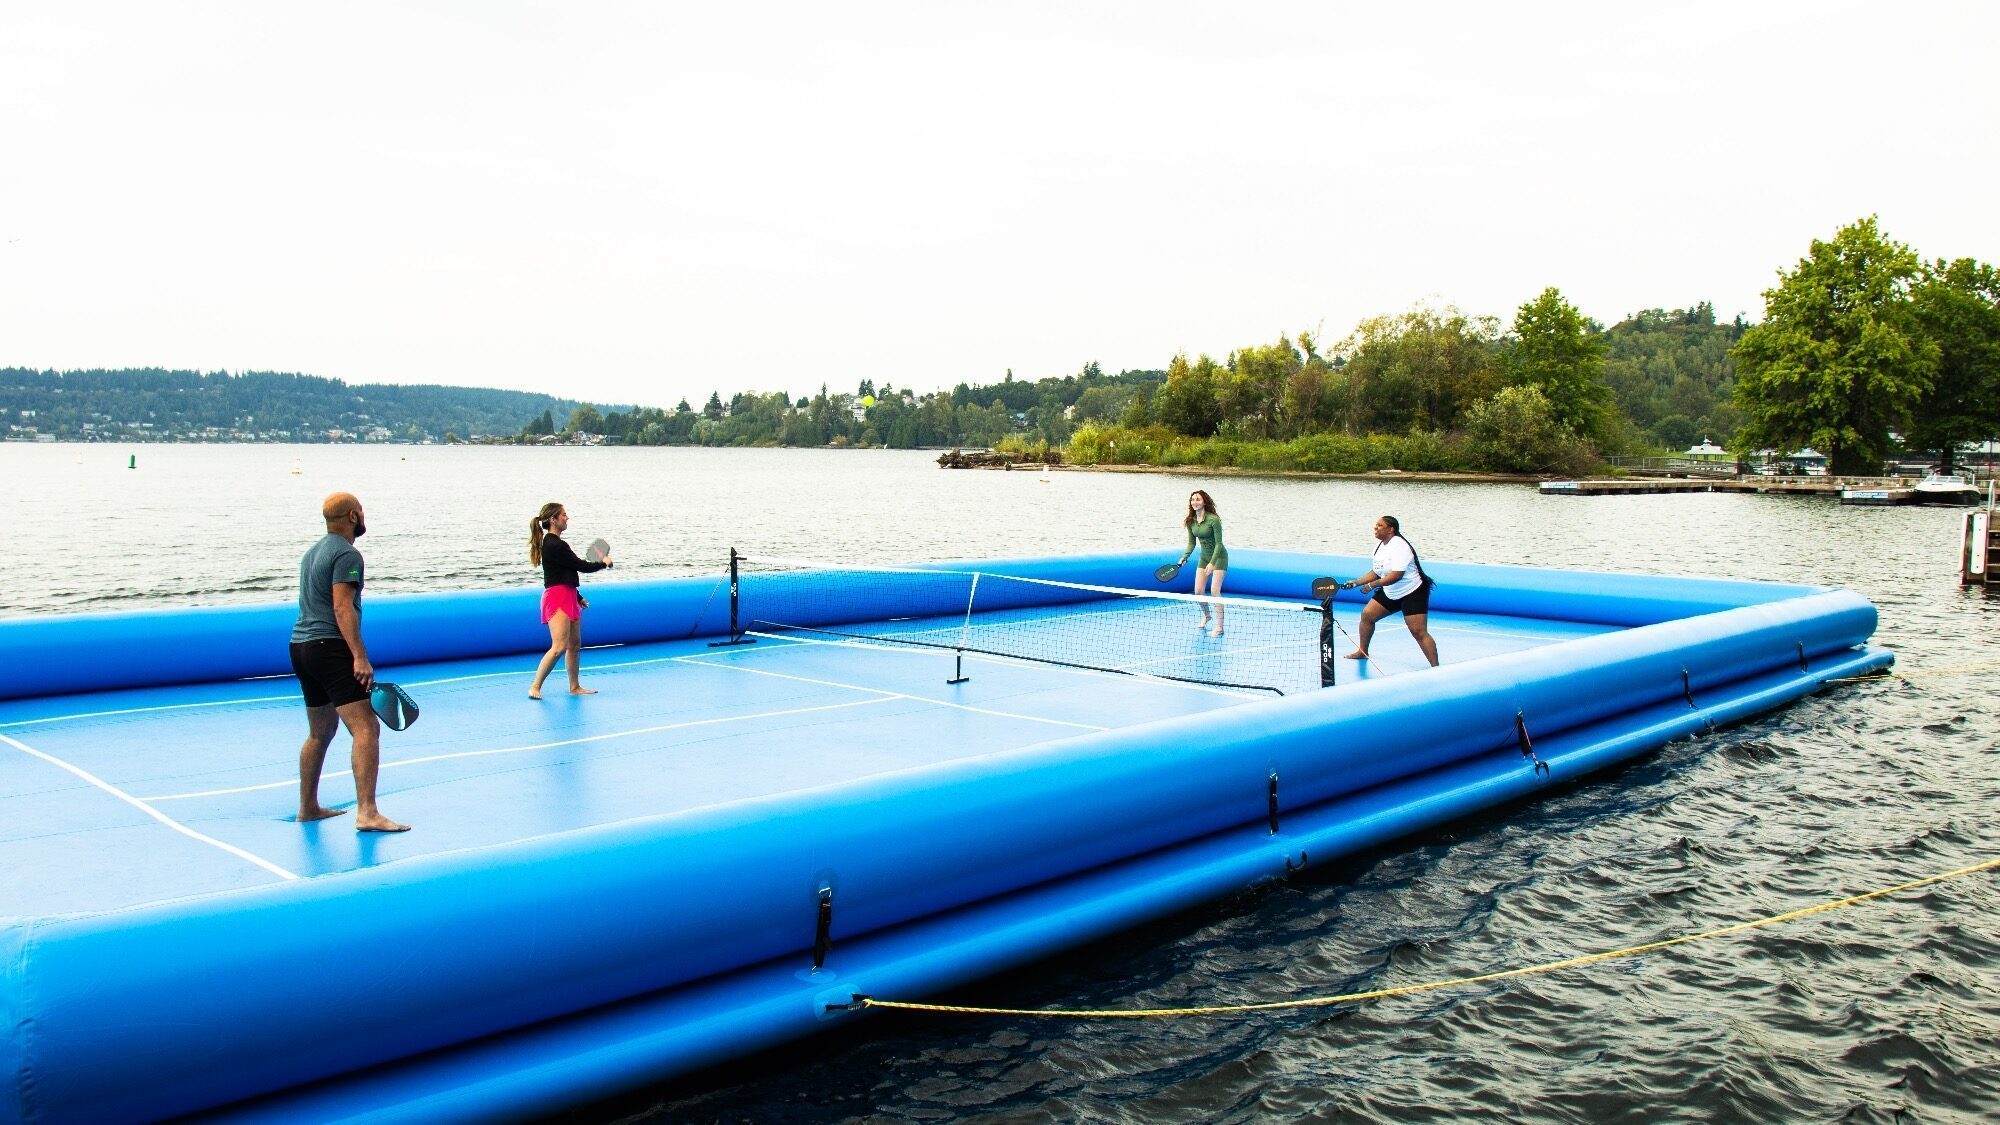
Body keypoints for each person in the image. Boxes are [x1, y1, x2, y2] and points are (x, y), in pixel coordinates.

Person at [290, 492, 408, 831]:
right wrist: (359, 656)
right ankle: (367, 812)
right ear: (353, 516)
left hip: (301, 646)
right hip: (330, 647)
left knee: (320, 731)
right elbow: (342, 607)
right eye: (362, 511)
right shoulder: (347, 554)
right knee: (366, 727)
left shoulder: (312, 553)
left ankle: (308, 807)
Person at [529, 501, 612, 698]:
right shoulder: (553, 544)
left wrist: (577, 596)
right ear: (553, 519)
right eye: (563, 515)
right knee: (559, 646)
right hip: (557, 598)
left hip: (568, 595)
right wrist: (603, 563)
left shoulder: (556, 544)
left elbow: (564, 573)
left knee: (574, 645)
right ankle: (535, 687)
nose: (567, 518)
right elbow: (580, 565)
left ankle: (574, 687)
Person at [1340, 514, 1440, 668]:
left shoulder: (1400, 546)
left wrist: (1372, 585)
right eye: (1376, 525)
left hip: (1412, 591)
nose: (1375, 527)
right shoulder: (1379, 547)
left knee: (1418, 631)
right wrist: (1357, 582)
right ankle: (1362, 652)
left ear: (1390, 529)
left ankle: (1436, 667)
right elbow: (1377, 571)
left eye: (1380, 525)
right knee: (1367, 615)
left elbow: (1396, 575)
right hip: (1391, 591)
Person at [1176, 489, 1229, 636]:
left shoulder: (1213, 520)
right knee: (1198, 591)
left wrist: (1212, 563)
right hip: (1204, 557)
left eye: (1198, 499)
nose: (1195, 502)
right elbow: (1191, 543)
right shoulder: (1190, 521)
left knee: (1214, 590)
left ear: (1204, 502)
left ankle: (1219, 627)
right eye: (1193, 500)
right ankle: (1207, 615)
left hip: (1219, 557)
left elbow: (1219, 544)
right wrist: (1185, 556)